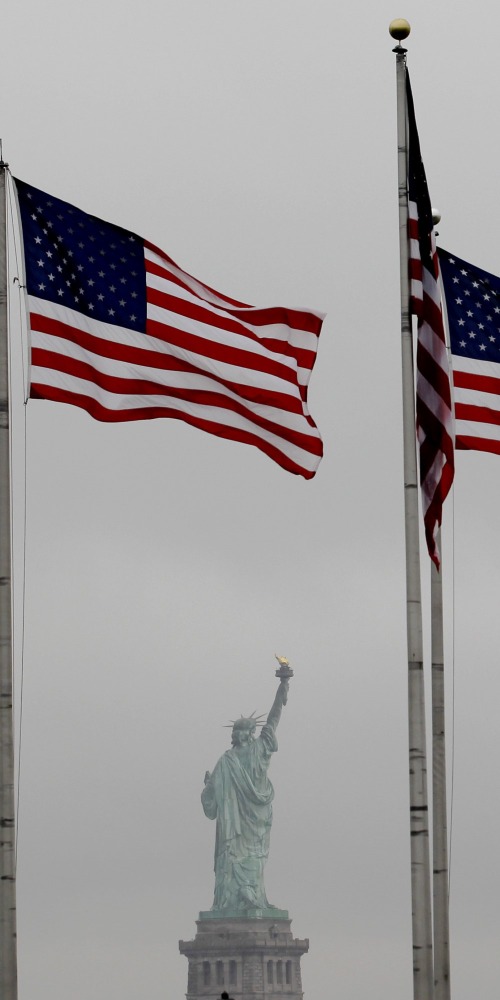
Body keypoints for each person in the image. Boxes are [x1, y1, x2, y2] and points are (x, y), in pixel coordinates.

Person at [202, 675, 290, 912]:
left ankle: (254, 895)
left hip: (256, 816)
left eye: (240, 730)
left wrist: (281, 691)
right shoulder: (227, 760)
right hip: (235, 822)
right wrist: (210, 786)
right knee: (232, 855)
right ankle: (234, 900)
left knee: (255, 858)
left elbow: (272, 722)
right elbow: (212, 794)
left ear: (249, 732)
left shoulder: (260, 748)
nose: (237, 733)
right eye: (235, 730)